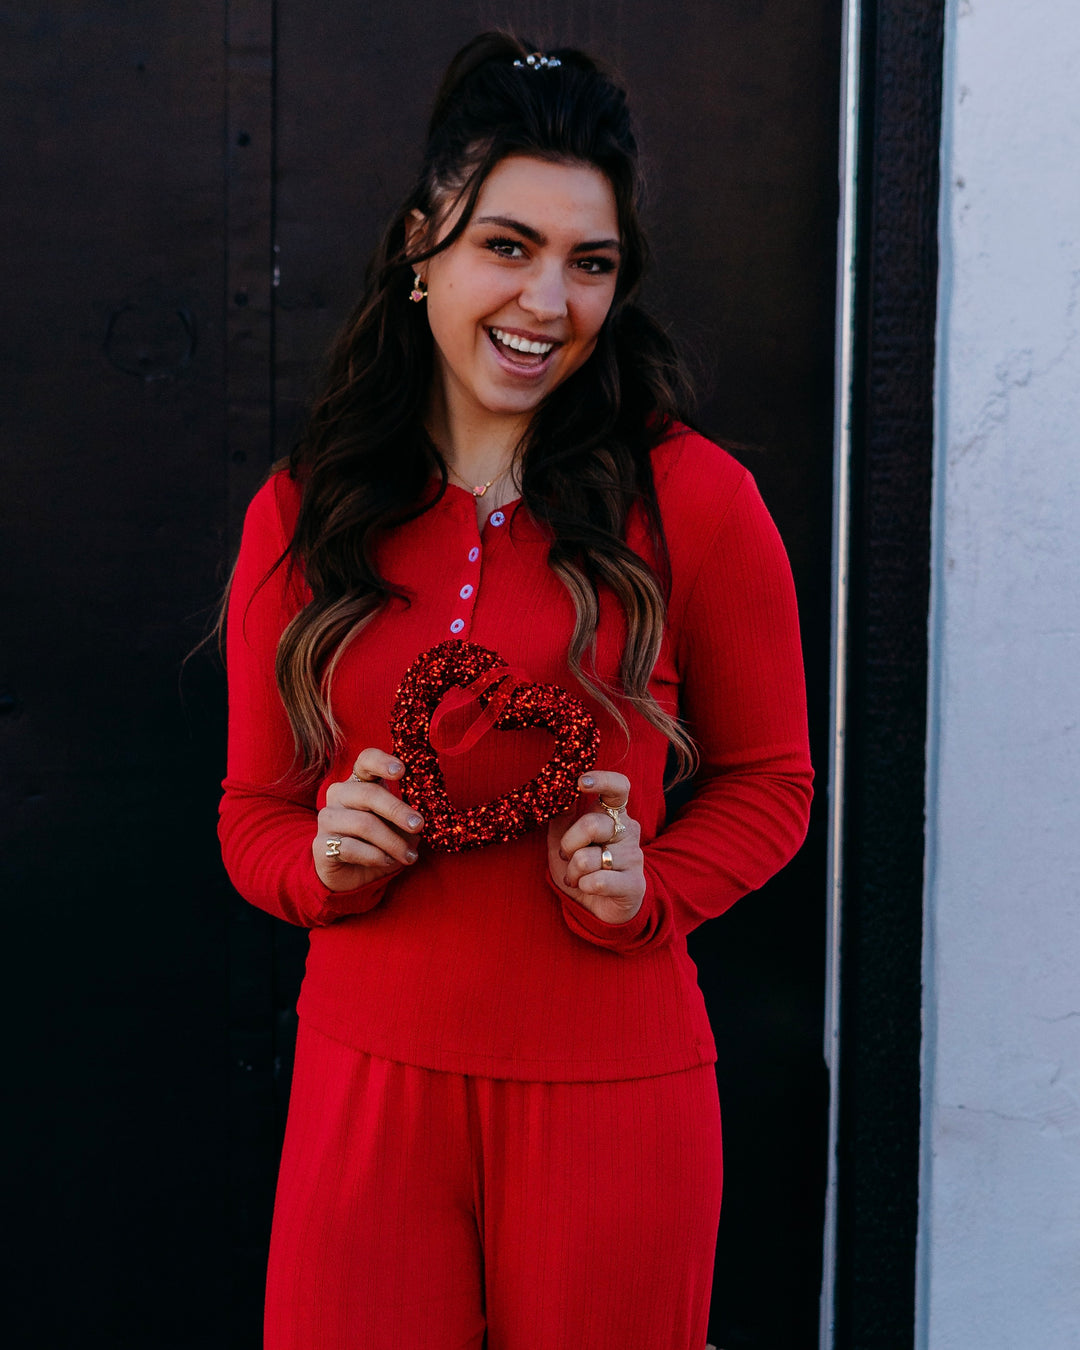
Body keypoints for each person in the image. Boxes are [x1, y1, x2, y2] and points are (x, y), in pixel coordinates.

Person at [219, 30, 813, 1350]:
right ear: (421, 244)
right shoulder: (305, 511)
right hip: (366, 1081)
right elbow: (251, 809)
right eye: (508, 245)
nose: (548, 300)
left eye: (589, 263)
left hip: (616, 1086)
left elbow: (773, 781)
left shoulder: (699, 501)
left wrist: (650, 888)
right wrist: (322, 865)